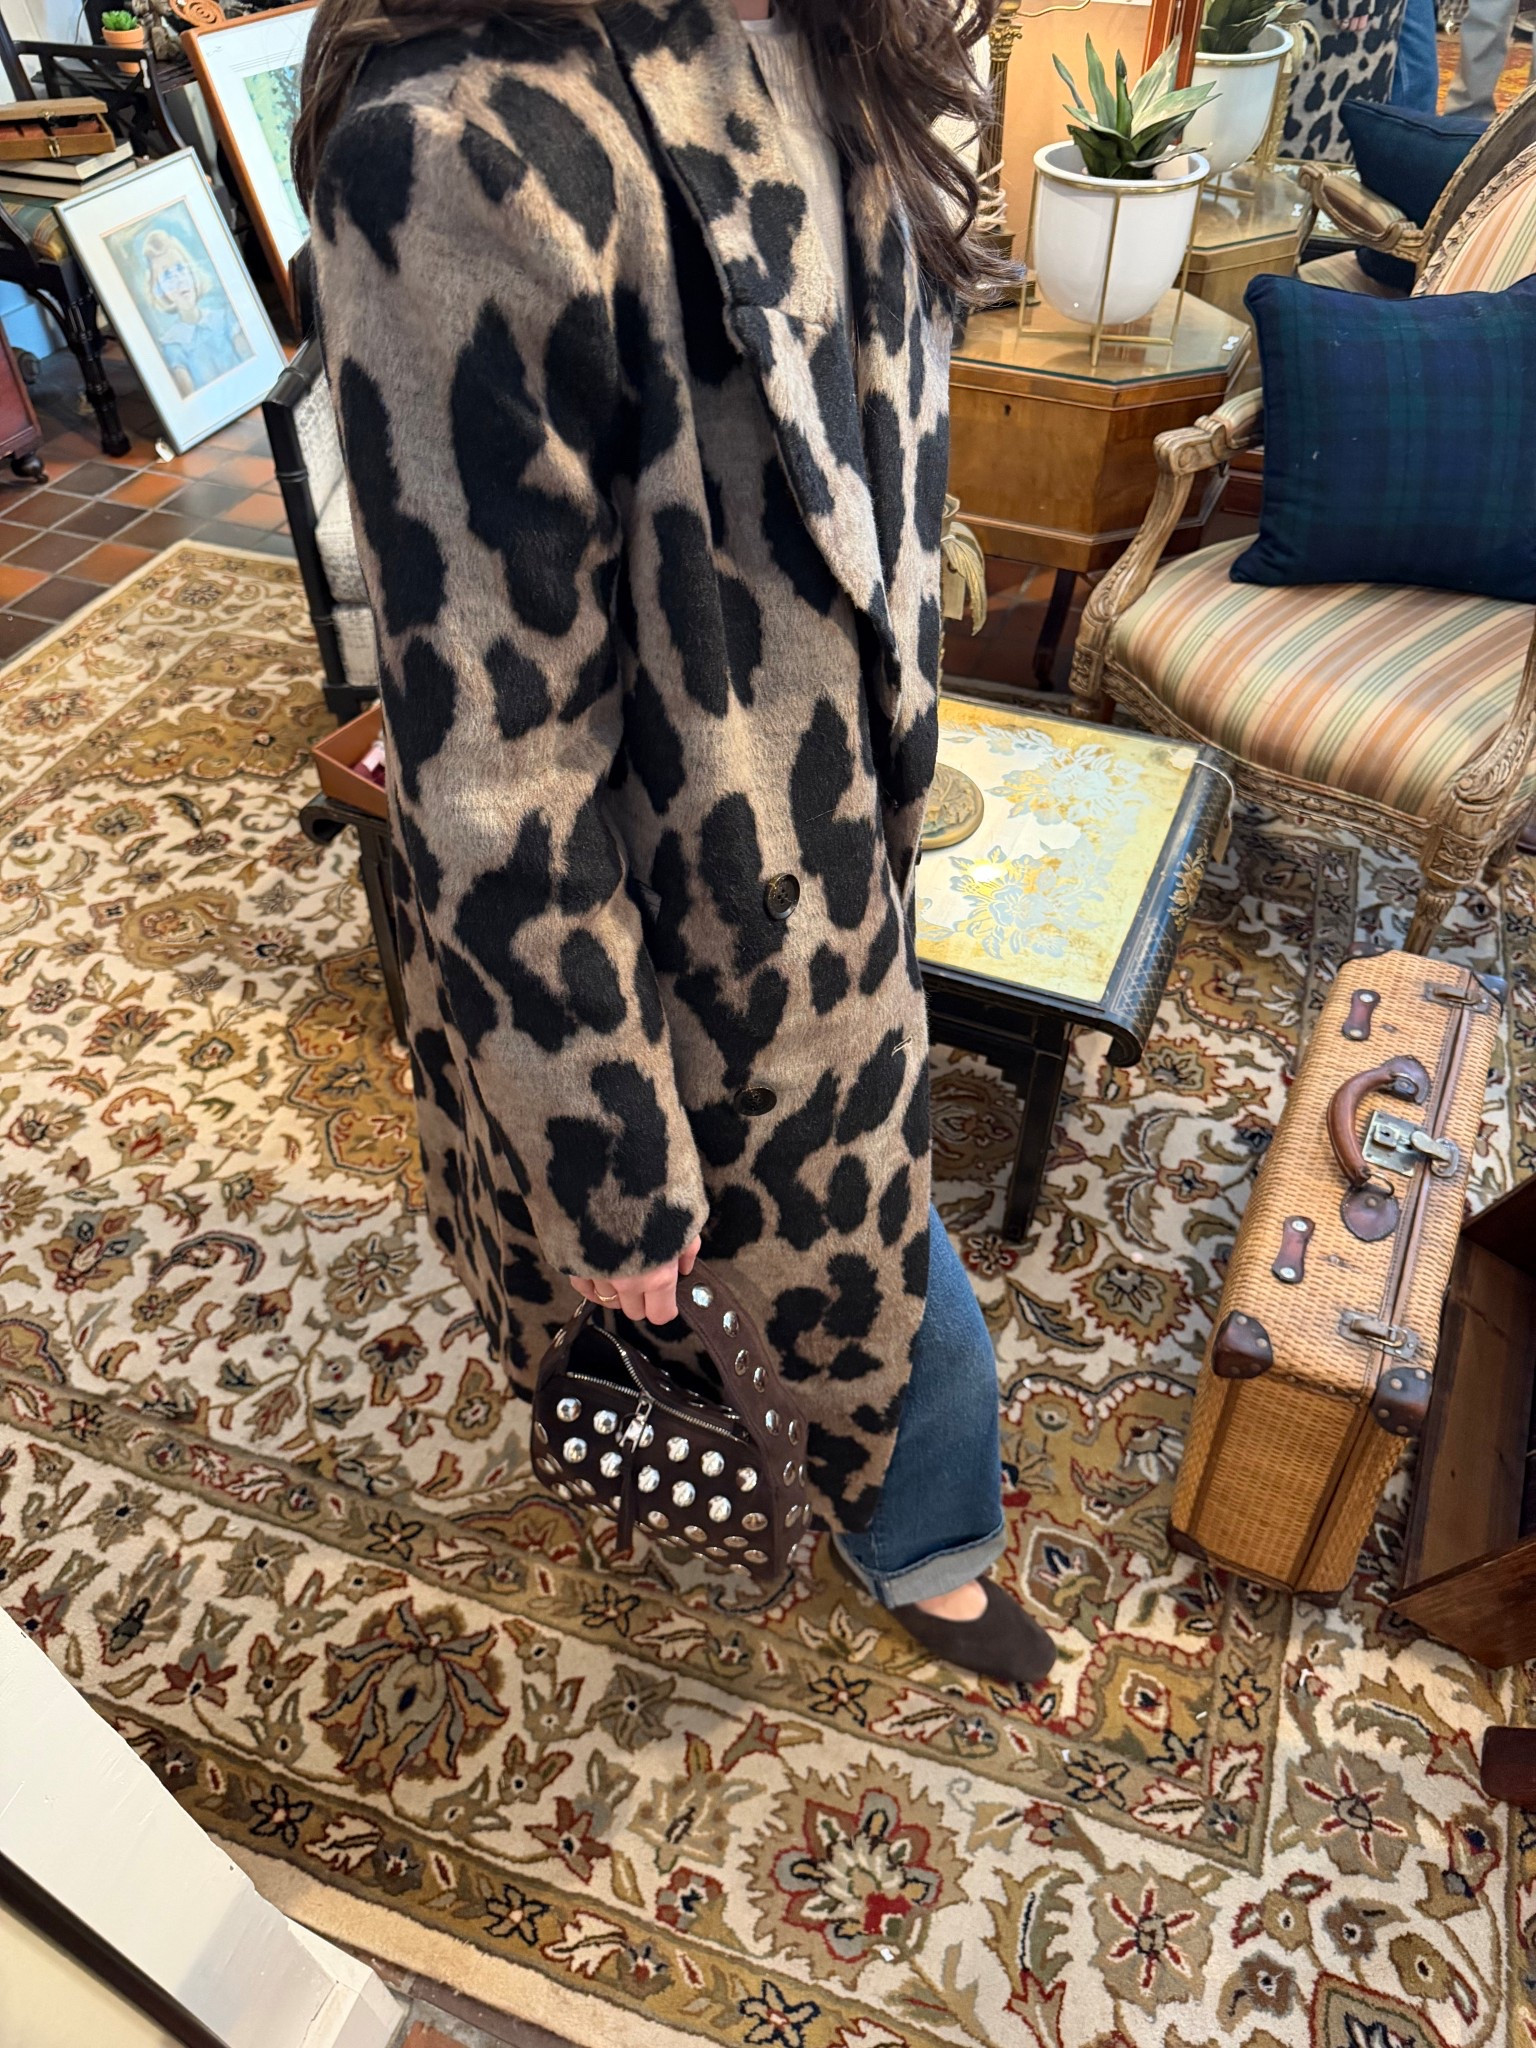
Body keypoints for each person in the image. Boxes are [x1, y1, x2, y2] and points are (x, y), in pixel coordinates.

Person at [294, 0, 1057, 1688]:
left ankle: (897, 1513)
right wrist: (612, 1165)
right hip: (664, 939)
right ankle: (909, 1536)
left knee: (862, 1252)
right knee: (797, 1297)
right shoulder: (460, 147)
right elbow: (494, 758)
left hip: (824, 859)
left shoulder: (816, 24)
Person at [141, 228, 251, 396]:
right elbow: (191, 398)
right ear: (160, 289)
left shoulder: (224, 317)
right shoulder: (173, 344)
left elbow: (253, 362)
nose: (179, 279)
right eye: (167, 275)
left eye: (180, 268)